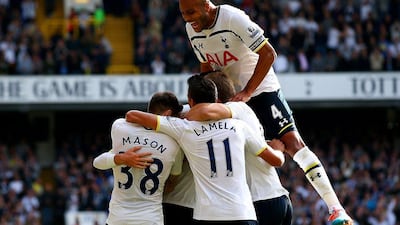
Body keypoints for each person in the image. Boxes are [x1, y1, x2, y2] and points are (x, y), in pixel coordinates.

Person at [178, 1, 353, 225]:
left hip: (260, 90)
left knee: (292, 143)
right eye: (183, 14)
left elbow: (269, 54)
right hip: (230, 97)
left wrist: (249, 91)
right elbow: (206, 65)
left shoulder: (232, 18)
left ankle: (336, 209)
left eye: (190, 12)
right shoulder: (192, 28)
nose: (187, 18)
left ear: (205, 6)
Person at [125, 74, 286, 225]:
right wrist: (279, 150)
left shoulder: (184, 128)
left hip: (207, 214)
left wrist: (170, 119)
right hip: (242, 212)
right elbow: (276, 160)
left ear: (190, 101)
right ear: (216, 99)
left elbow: (132, 115)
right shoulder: (239, 125)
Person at [185, 71, 292, 225]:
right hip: (275, 197)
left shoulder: (236, 108)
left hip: (261, 200)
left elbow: (202, 111)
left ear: (217, 99)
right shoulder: (241, 113)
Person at [92, 91, 185, 225]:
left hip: (118, 218)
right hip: (150, 218)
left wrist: (122, 159)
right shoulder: (174, 143)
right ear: (167, 115)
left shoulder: (120, 127)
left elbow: (97, 162)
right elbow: (172, 181)